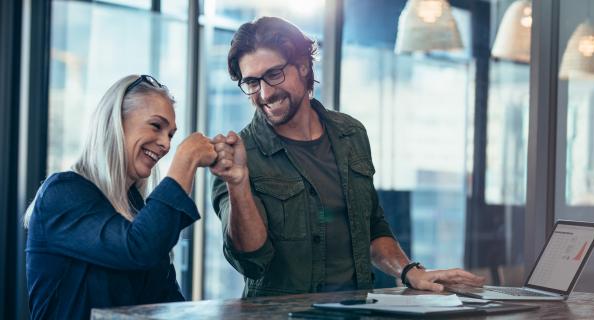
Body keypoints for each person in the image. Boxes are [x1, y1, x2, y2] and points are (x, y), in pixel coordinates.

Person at [211, 17, 484, 297]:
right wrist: (238, 184)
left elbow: (371, 226)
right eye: (252, 82)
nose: (265, 93)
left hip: (356, 310)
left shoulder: (351, 134)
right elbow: (249, 260)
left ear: (303, 66)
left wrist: (409, 271)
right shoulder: (238, 157)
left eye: (274, 74)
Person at [24, 75, 220, 319]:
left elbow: (169, 302)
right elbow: (137, 248)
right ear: (115, 122)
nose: (166, 144)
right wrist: (186, 160)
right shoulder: (62, 193)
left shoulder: (139, 210)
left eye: (170, 135)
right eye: (156, 126)